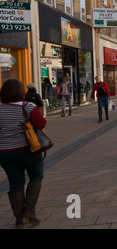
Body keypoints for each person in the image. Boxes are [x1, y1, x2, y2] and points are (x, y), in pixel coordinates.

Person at [0, 79, 47, 228]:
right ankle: (29, 212)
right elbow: (41, 124)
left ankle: (19, 218)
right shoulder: (28, 106)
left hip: (5, 153)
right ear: (21, 91)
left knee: (15, 182)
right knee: (36, 175)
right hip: (28, 150)